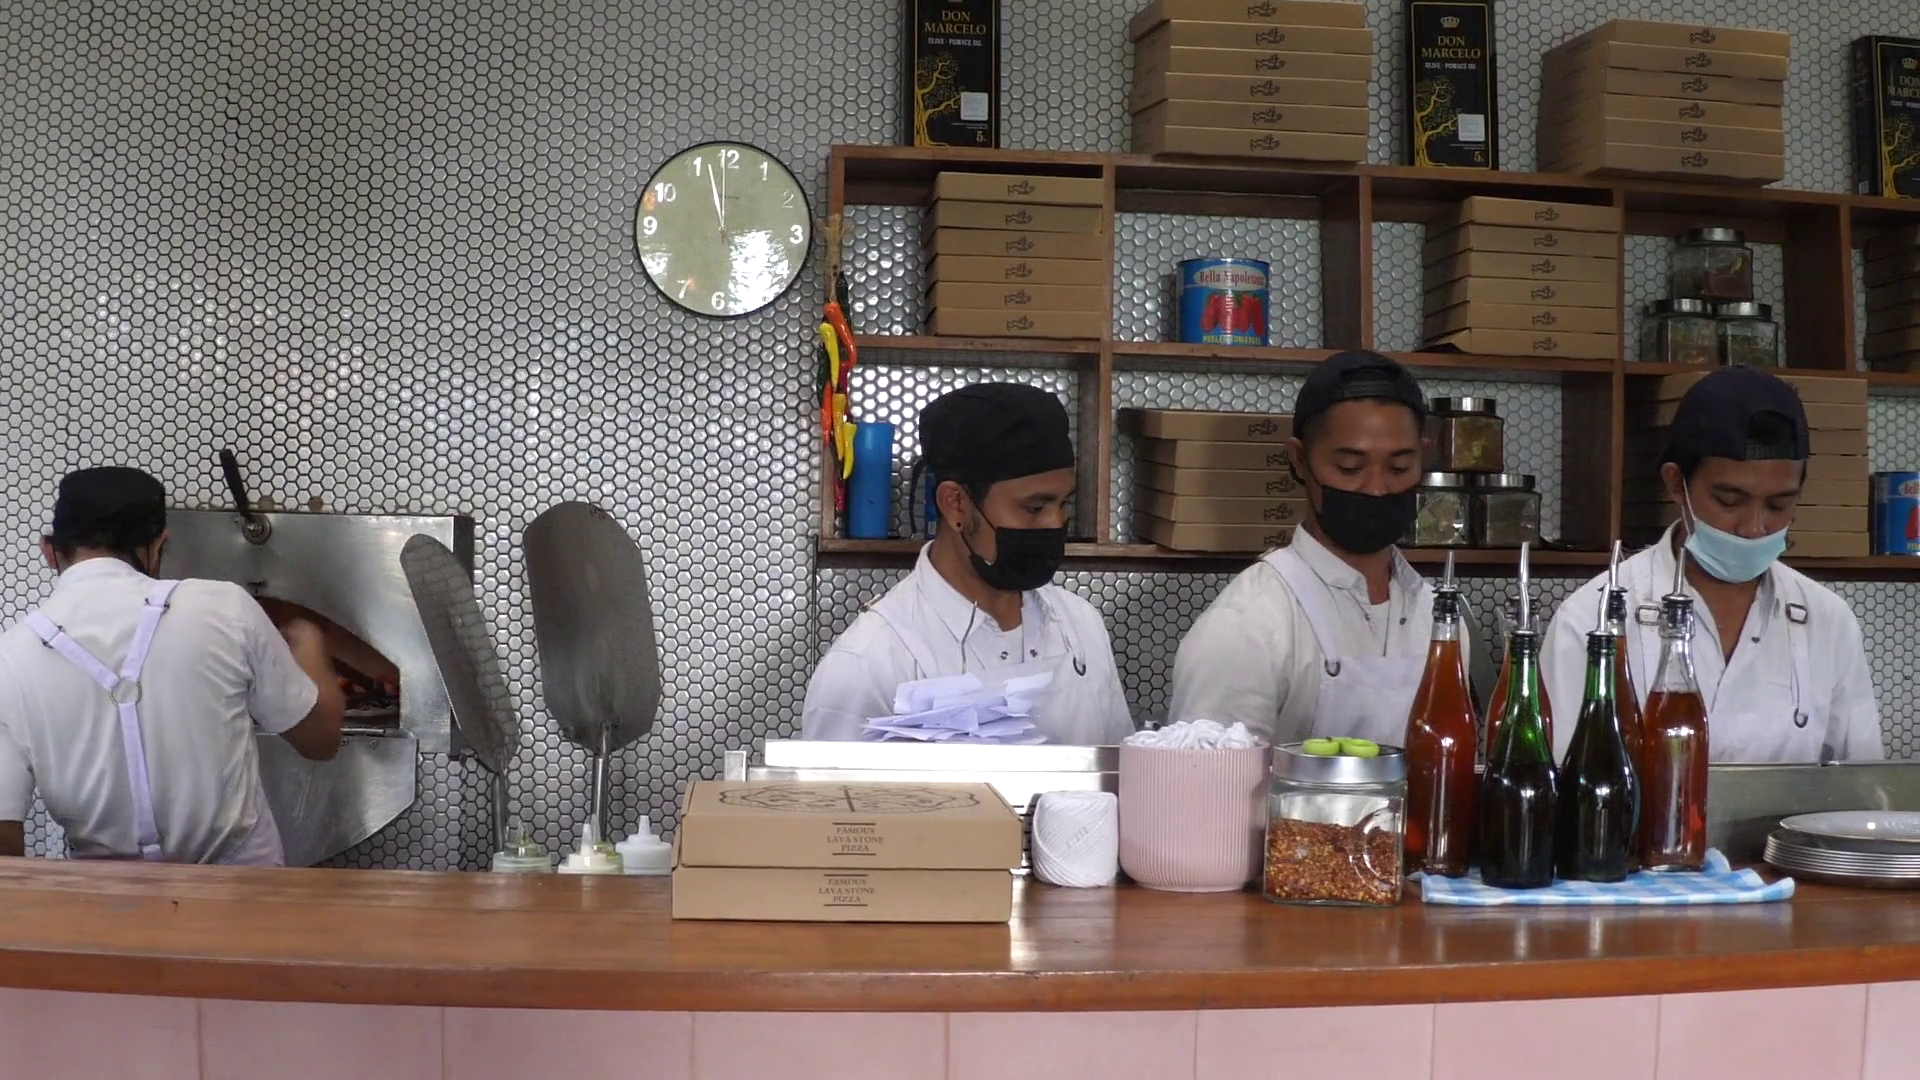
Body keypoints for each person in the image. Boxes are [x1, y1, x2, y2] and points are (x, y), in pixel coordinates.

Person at [0, 467, 346, 863]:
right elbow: (321, 740)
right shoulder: (225, 607)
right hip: (243, 890)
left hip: (103, 896)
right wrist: (310, 643)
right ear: (159, 545)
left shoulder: (9, 656)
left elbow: (3, 842)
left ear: (49, 551)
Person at [1543, 367, 1882, 763]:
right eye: (1729, 501)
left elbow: (1863, 782)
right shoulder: (1591, 619)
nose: (1754, 528)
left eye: (1779, 505)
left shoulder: (1827, 621)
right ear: (1676, 483)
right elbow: (1562, 783)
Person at [801, 383, 1134, 744]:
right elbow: (834, 783)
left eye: (1064, 504)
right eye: (1035, 507)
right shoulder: (869, 662)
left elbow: (1123, 768)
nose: (1055, 523)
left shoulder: (1080, 625)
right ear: (955, 504)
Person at [1169, 351, 1454, 746]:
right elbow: (1207, 778)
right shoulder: (1247, 623)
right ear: (1300, 460)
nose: (1377, 488)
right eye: (1350, 468)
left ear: (1422, 456)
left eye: (1398, 468)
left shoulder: (1439, 615)